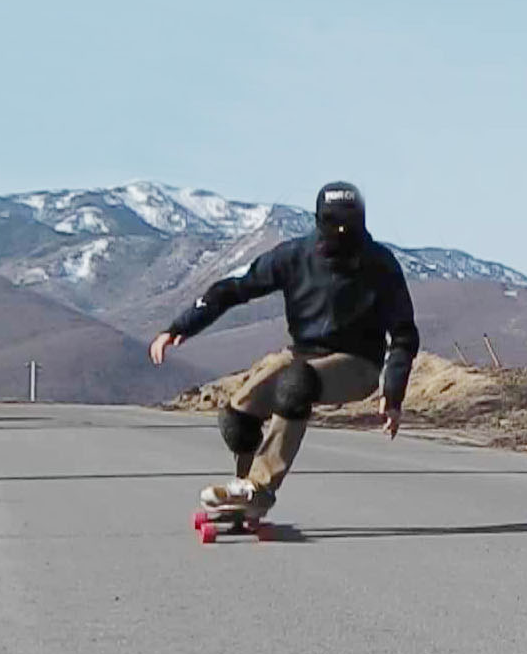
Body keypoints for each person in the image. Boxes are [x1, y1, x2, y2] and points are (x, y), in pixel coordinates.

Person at [149, 181, 419, 515]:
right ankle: (242, 492)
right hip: (302, 353)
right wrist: (181, 326)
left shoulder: (380, 265)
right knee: (237, 417)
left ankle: (259, 488)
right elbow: (235, 288)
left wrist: (393, 393)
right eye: (335, 225)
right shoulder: (294, 256)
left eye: (350, 226)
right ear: (320, 222)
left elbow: (404, 334)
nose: (342, 233)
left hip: (357, 362)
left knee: (296, 384)